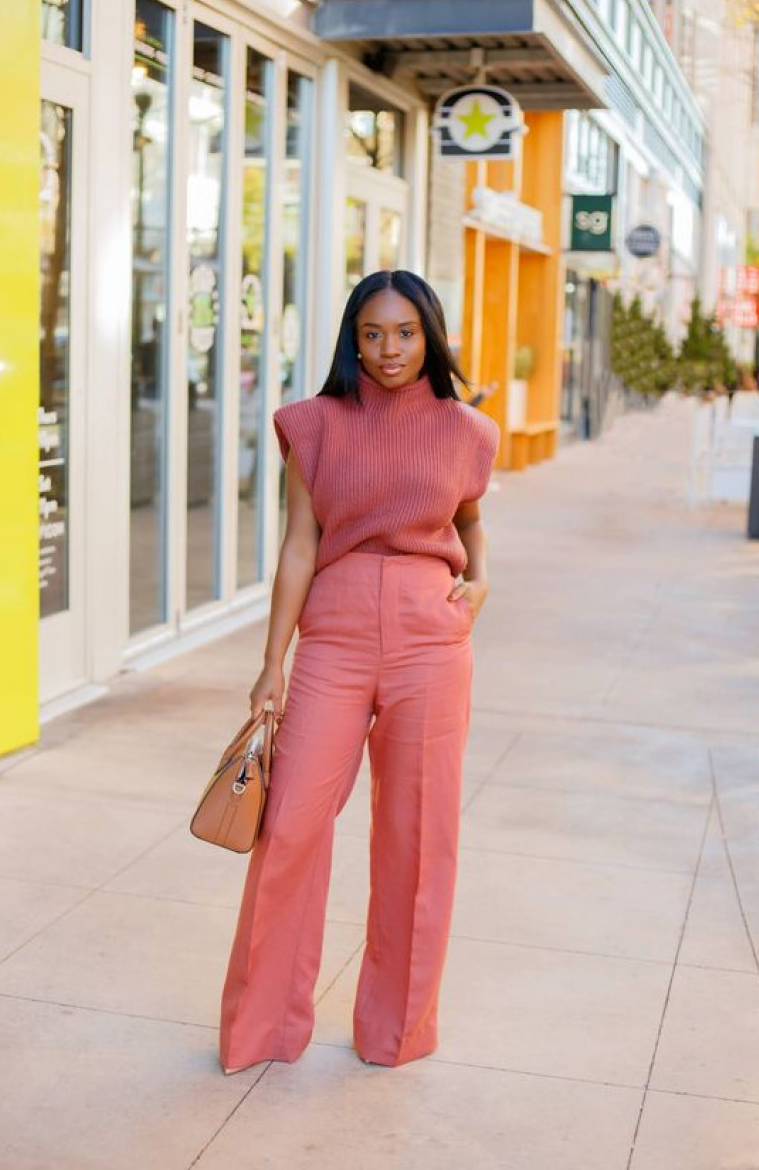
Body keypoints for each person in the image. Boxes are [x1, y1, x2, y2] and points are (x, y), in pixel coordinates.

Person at [219, 269, 501, 1073]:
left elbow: (470, 520)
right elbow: (300, 543)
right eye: (372, 334)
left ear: (430, 335)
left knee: (420, 836)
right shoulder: (313, 424)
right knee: (291, 827)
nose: (389, 350)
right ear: (352, 337)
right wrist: (272, 660)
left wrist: (479, 582)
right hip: (334, 633)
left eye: (405, 333)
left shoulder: (467, 430)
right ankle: (264, 1030)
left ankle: (396, 1033)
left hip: (430, 636)